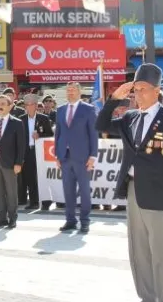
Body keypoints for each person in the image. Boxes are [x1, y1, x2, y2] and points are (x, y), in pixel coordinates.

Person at [96, 63, 163, 302]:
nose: (138, 94)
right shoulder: (130, 117)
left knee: (161, 254)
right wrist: (113, 99)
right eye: (135, 89)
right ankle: (147, 297)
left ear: (157, 90)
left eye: (143, 89)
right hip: (133, 190)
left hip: (159, 195)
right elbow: (101, 125)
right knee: (138, 252)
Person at [54, 82, 98, 233]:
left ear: (80, 92)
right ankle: (70, 220)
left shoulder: (88, 109)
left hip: (82, 157)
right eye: (68, 90)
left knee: (85, 190)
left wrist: (93, 156)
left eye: (73, 90)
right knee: (68, 191)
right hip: (65, 157)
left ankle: (85, 221)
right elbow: (58, 134)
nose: (70, 92)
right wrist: (57, 155)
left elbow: (93, 134)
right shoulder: (60, 110)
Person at [0, 95, 25, 228]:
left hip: (10, 163)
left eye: (3, 103)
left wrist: (19, 163)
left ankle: (12, 218)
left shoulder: (17, 123)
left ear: (10, 106)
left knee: (12, 192)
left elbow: (21, 145)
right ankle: (1, 218)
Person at [19, 94, 53, 210]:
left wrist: (40, 135)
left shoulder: (43, 118)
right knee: (30, 178)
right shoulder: (21, 119)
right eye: (27, 105)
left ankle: (46, 202)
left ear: (36, 105)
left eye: (31, 104)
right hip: (27, 151)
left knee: (42, 177)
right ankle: (33, 202)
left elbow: (50, 135)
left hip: (40, 152)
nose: (29, 107)